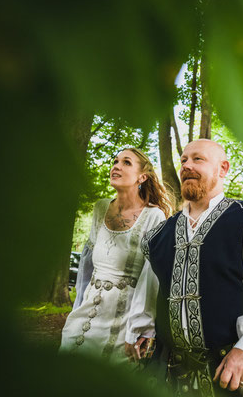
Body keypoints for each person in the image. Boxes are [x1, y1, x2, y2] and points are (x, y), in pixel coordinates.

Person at [125, 139, 243, 396]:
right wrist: (139, 332)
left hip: (227, 377)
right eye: (183, 160)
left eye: (198, 159)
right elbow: (146, 295)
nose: (187, 166)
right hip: (166, 376)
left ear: (223, 169)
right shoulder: (159, 234)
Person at [59, 148, 171, 362]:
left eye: (126, 162)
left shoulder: (154, 216)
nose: (116, 166)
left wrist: (143, 328)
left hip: (124, 322)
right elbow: (86, 268)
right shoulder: (100, 208)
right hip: (85, 316)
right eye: (115, 161)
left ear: (142, 177)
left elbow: (152, 278)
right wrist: (77, 309)